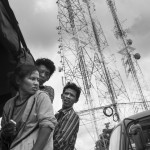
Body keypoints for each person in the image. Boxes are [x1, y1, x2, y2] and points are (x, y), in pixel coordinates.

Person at [0, 64, 57, 150]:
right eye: (32, 79)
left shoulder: (42, 97)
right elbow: (3, 132)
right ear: (18, 80)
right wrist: (7, 131)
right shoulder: (9, 104)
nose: (36, 83)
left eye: (37, 80)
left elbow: (47, 126)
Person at [53, 82, 81, 150]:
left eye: (72, 95)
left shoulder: (72, 116)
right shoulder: (57, 115)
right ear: (62, 96)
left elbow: (59, 143)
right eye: (66, 93)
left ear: (76, 100)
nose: (68, 96)